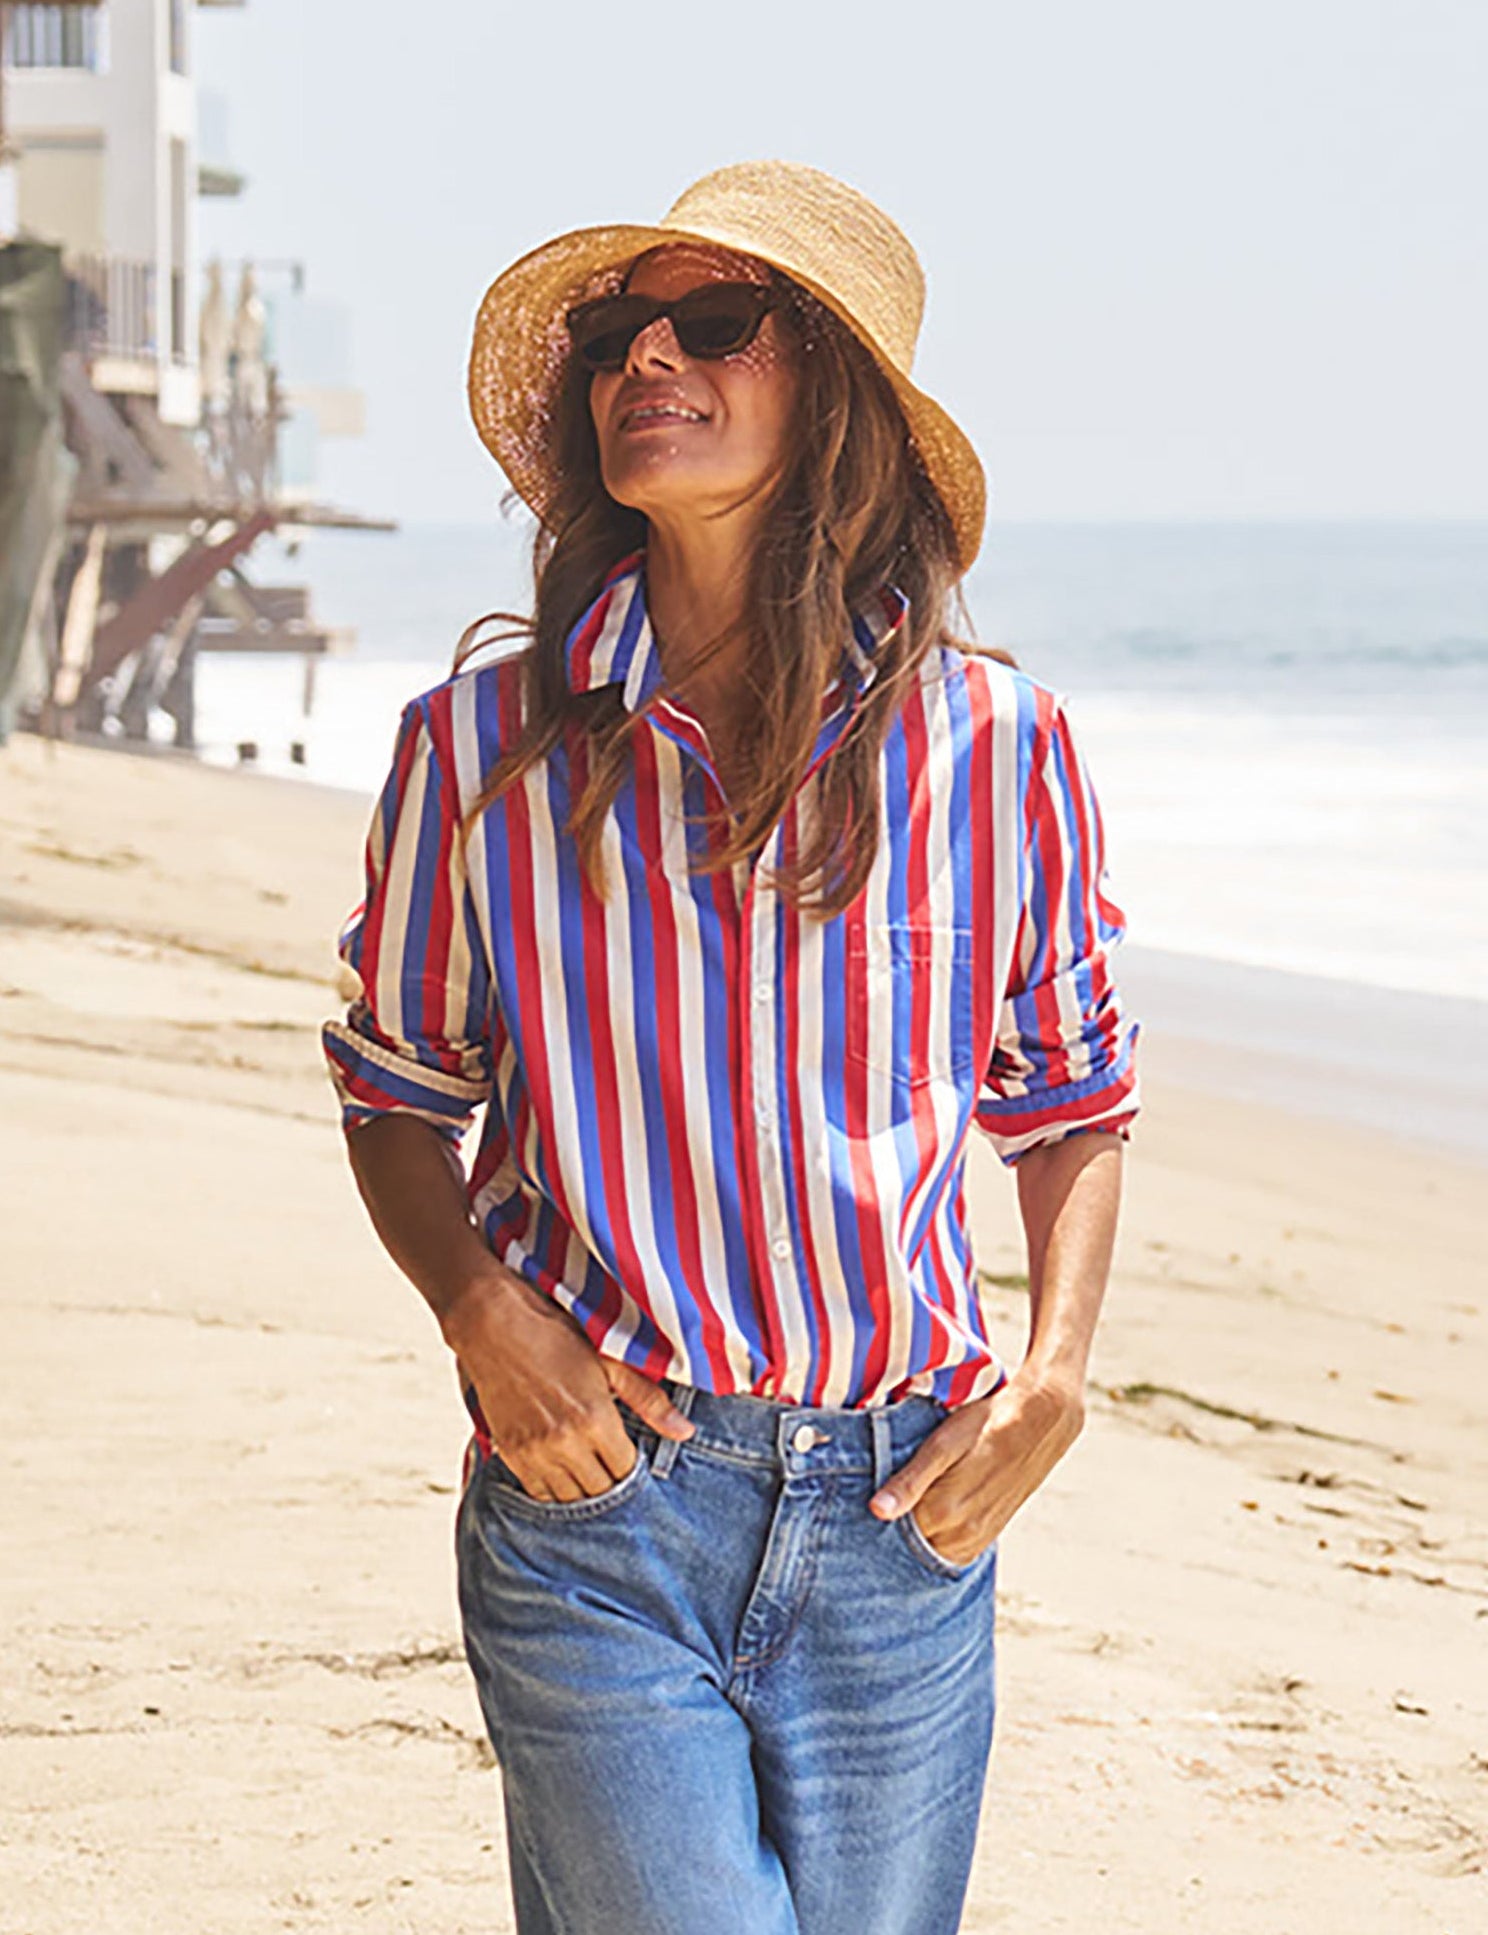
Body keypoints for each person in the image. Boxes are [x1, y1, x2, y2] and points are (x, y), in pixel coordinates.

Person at [323, 159, 1140, 1935]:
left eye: (711, 323)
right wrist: (484, 1315)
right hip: (601, 1502)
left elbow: (1071, 1097)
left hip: (907, 1526)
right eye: (619, 333)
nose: (646, 361)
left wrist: (1060, 1373)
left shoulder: (998, 747)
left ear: (833, 393)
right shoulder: (478, 752)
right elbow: (394, 1090)